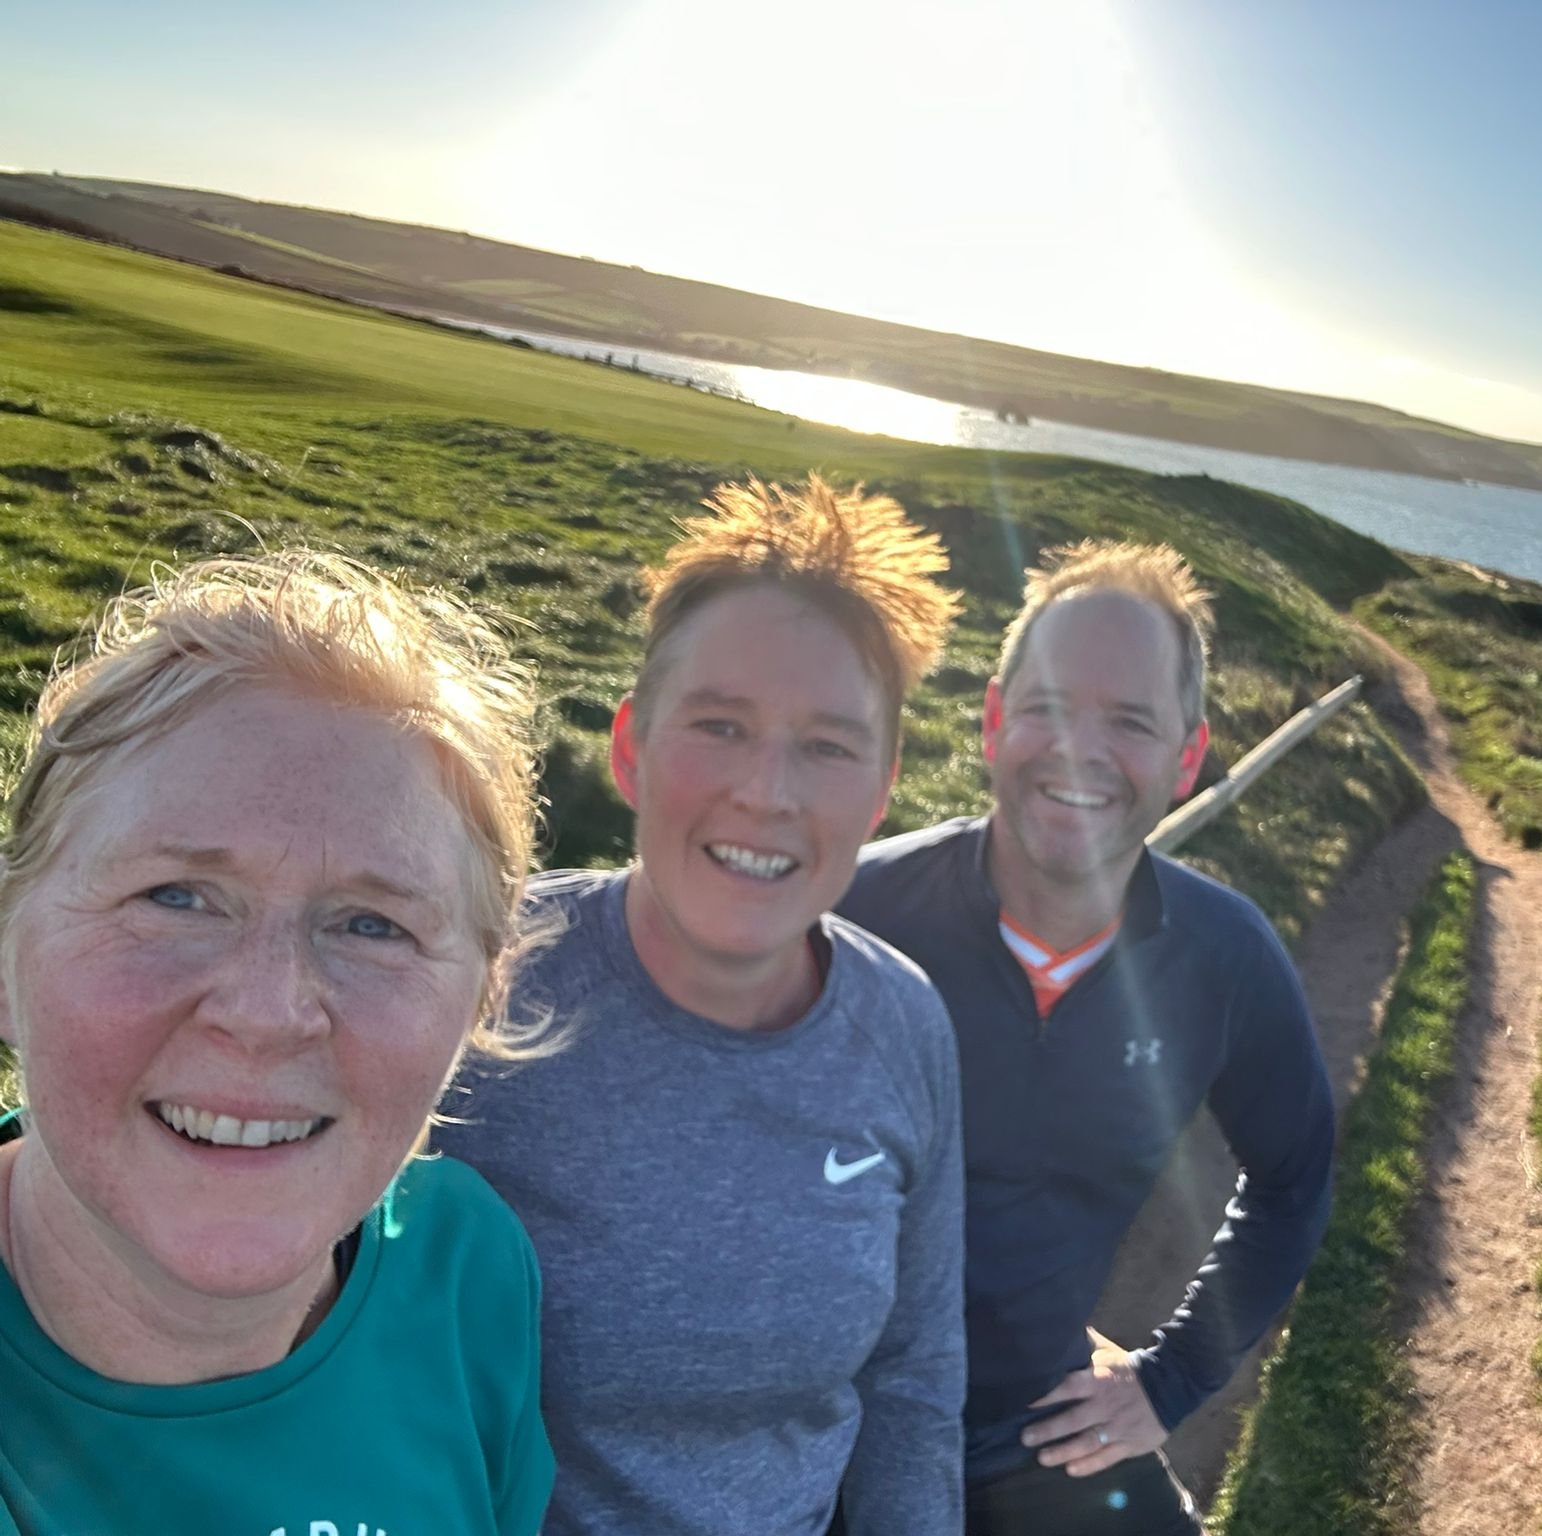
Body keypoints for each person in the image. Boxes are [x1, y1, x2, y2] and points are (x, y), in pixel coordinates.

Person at [438, 475, 967, 1536]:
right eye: (720, 726)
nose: (767, 792)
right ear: (629, 746)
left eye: (826, 746)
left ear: (880, 788)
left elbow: (913, 1383)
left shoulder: (904, 1024)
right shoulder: (477, 976)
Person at [0, 552, 554, 1536]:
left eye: (373, 925)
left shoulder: (464, 1267)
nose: (265, 1011)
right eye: (174, 897)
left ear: (484, 992)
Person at [839, 539, 1337, 1536]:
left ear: (1186, 759)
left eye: (1131, 723)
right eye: (1049, 708)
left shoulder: (1223, 959)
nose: (1080, 750)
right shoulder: (856, 914)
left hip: (1035, 1441)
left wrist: (1170, 1381)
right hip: (819, 1440)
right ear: (991, 721)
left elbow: (1295, 1174)